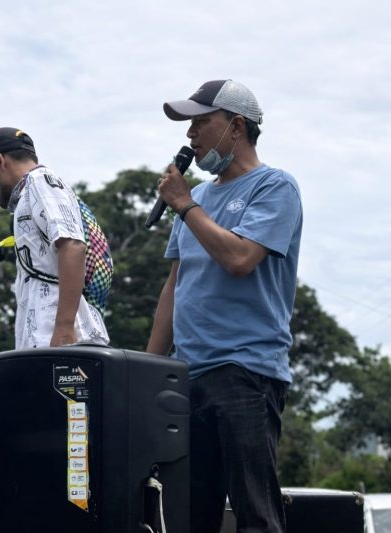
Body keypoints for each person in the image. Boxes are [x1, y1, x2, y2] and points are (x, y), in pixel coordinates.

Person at [146, 80, 303, 533]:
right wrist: (149, 372)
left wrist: (184, 204)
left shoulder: (274, 187)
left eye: (200, 123)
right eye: (188, 125)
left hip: (245, 372)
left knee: (255, 514)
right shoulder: (198, 196)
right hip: (186, 376)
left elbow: (239, 259)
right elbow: (174, 288)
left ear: (236, 127)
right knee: (190, 516)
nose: (190, 136)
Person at [0, 127, 111, 349]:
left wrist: (64, 329)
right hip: (45, 340)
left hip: (62, 340)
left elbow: (72, 245)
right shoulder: (30, 192)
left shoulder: (40, 182)